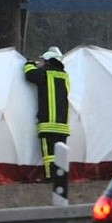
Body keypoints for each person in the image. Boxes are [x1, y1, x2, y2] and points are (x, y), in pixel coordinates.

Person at [24, 47, 70, 181]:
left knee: (49, 153)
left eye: (43, 61)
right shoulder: (64, 75)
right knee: (60, 152)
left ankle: (50, 177)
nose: (42, 63)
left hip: (48, 122)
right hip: (62, 123)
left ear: (49, 61)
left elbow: (30, 75)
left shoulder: (45, 73)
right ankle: (61, 176)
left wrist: (29, 64)